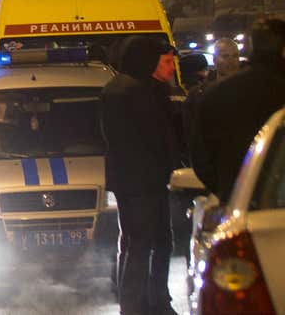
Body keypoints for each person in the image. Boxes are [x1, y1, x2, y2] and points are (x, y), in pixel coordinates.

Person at [101, 35, 181, 315]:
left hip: (134, 181)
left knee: (139, 242)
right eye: (166, 62)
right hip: (144, 181)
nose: (171, 68)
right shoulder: (136, 91)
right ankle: (144, 303)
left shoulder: (122, 87)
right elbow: (157, 138)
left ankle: (140, 302)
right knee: (146, 242)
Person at [193, 19, 285, 201]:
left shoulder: (215, 95)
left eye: (234, 56)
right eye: (225, 56)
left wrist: (227, 190)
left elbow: (201, 156)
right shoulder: (209, 93)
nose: (230, 61)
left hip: (235, 201)